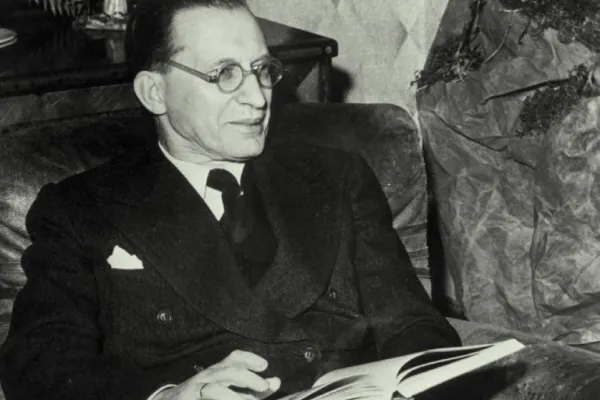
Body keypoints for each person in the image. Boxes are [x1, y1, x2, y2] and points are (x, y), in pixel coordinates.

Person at [0, 0, 461, 399]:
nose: (257, 98)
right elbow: (39, 366)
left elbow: (413, 326)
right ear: (154, 92)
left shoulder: (336, 177)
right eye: (224, 74)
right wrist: (167, 397)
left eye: (263, 70)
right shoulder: (83, 209)